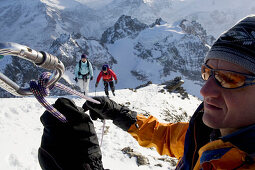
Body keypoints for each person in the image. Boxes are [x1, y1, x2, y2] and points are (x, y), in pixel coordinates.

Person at [39, 15, 255, 169]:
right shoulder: (207, 131)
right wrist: (121, 115)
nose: (205, 89)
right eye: (208, 72)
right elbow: (170, 137)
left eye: (229, 79)